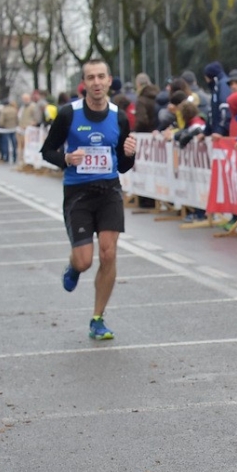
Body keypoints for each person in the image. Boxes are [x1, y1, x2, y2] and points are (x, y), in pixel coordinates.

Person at [41, 59, 137, 340]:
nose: (96, 82)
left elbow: (121, 165)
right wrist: (66, 159)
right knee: (85, 261)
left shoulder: (119, 117)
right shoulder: (68, 114)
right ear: (84, 83)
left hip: (109, 191)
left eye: (101, 77)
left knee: (108, 252)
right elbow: (47, 150)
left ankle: (98, 318)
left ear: (109, 80)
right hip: (78, 193)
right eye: (90, 78)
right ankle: (74, 267)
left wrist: (129, 154)